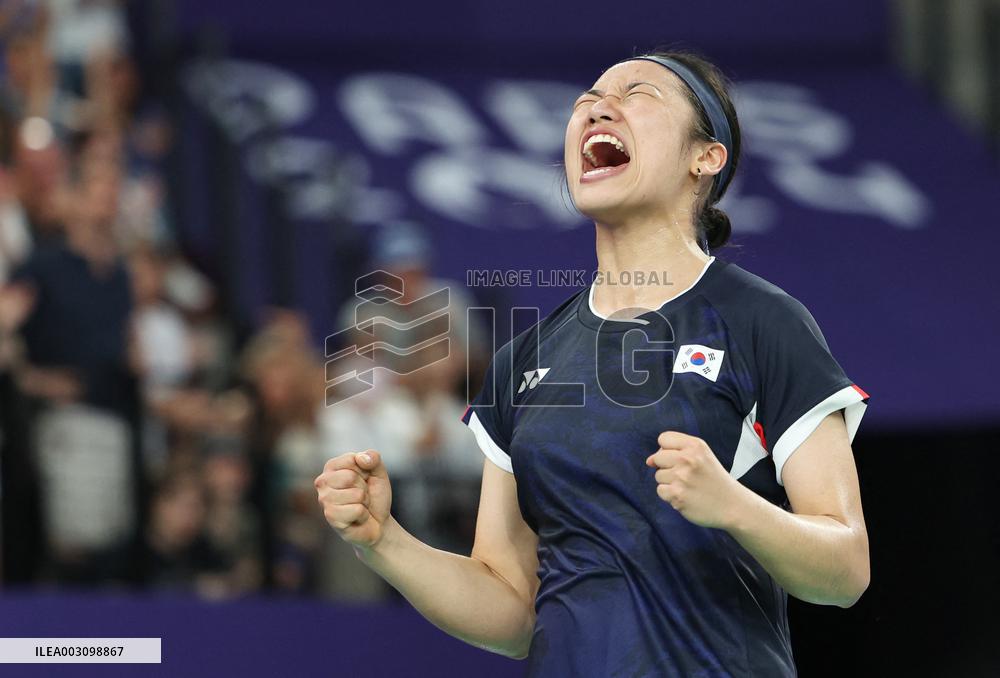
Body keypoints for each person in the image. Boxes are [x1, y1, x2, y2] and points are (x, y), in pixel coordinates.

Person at [315, 50, 870, 677]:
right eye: (588, 98)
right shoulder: (523, 358)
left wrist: (733, 505)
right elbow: (511, 605)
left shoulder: (765, 323)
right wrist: (384, 541)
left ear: (705, 158)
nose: (597, 106)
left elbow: (845, 571)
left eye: (640, 93)